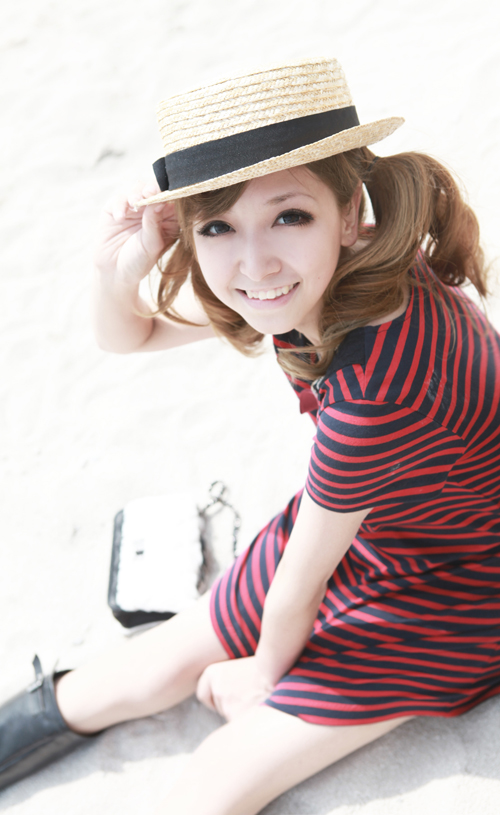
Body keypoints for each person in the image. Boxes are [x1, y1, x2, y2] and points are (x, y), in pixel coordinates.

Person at [2, 57, 500, 815]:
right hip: (374, 527)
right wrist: (116, 269)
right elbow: (128, 338)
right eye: (218, 226)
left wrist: (262, 675)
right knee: (142, 673)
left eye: (289, 215)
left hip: (457, 585)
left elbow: (302, 579)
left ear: (349, 214)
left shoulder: (378, 392)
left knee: (210, 785)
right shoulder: (336, 270)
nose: (255, 261)